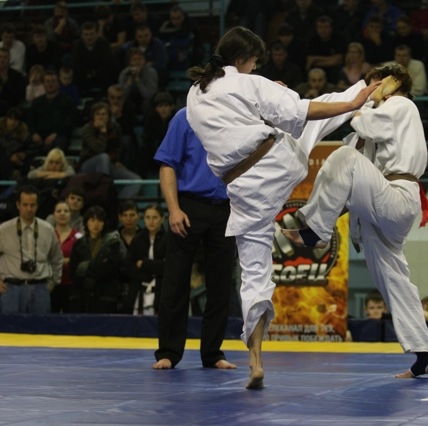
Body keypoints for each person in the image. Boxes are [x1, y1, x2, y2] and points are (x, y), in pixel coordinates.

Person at [185, 26, 379, 388]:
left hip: (241, 189)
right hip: (276, 163)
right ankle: (368, 90)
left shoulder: (196, 91)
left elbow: (229, 124)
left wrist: (265, 97)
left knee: (254, 275)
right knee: (314, 121)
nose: (255, 68)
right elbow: (302, 110)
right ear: (244, 58)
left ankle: (255, 360)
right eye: (254, 62)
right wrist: (350, 104)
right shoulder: (250, 83)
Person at [279, 63, 428, 380]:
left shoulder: (400, 105)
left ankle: (314, 232)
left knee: (343, 156)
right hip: (383, 204)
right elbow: (346, 185)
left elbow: (363, 125)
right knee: (393, 279)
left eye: (375, 84)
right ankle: (425, 356)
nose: (370, 90)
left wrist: (355, 103)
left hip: (399, 194)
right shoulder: (369, 128)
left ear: (393, 83)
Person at [152, 107, 237, 371]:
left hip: (226, 207)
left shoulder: (237, 115)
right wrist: (173, 209)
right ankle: (168, 352)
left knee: (221, 284)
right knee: (176, 280)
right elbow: (167, 164)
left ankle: (212, 353)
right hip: (189, 204)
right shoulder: (185, 117)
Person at [0, 185, 63, 314]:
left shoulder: (48, 229)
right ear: (18, 205)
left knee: (40, 326)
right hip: (12, 289)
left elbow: (57, 258)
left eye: (32, 205)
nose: (29, 209)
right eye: (25, 205)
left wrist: (52, 283)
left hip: (40, 288)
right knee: (10, 327)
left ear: (37, 205)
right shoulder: (4, 229)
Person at [79, 101, 142, 199]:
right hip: (88, 165)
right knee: (104, 157)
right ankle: (105, 193)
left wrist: (117, 160)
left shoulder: (115, 127)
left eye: (104, 114)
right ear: (93, 116)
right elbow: (98, 149)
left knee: (136, 180)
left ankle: (120, 203)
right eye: (98, 114)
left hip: (109, 164)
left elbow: (118, 146)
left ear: (109, 116)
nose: (101, 117)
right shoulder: (87, 129)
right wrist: (102, 132)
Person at [70, 205, 123, 313]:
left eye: (99, 220)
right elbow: (73, 270)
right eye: (92, 220)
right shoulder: (78, 244)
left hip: (105, 295)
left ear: (104, 223)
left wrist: (86, 268)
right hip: (82, 296)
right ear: (86, 222)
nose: (96, 224)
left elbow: (110, 267)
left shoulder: (112, 243)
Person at [127, 203, 165, 315]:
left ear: (162, 219)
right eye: (148, 217)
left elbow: (168, 267)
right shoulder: (138, 239)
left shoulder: (168, 239)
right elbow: (129, 265)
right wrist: (147, 274)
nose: (151, 221)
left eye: (155, 217)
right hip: (139, 290)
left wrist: (144, 264)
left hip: (161, 290)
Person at [50, 200, 82, 313]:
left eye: (66, 211)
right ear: (53, 214)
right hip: (52, 284)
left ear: (70, 214)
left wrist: (58, 261)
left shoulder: (78, 237)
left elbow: (80, 260)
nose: (62, 214)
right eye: (59, 211)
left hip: (71, 284)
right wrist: (66, 260)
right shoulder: (48, 235)